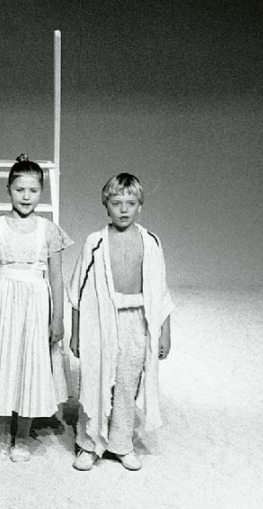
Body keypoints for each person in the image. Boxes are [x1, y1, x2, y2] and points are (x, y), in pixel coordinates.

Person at [0, 155, 72, 462]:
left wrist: (58, 317)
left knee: (29, 364)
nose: (26, 196)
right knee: (4, 363)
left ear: (41, 192)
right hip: (2, 302)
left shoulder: (48, 230)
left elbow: (57, 277)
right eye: (19, 189)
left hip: (35, 304)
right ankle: (3, 434)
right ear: (8, 189)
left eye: (33, 190)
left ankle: (22, 435)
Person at [67, 173, 173, 471]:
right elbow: (78, 291)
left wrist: (165, 332)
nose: (124, 209)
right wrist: (76, 333)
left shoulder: (150, 242)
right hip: (101, 319)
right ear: (106, 205)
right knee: (95, 378)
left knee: (127, 381)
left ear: (140, 205)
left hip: (137, 319)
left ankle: (121, 443)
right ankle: (89, 443)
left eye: (131, 203)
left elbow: (161, 291)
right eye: (116, 203)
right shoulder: (95, 242)